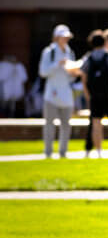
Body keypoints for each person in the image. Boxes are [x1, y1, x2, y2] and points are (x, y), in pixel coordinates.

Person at [79, 29, 108, 159]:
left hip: (95, 97)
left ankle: (99, 152)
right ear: (104, 42)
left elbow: (83, 79)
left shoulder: (88, 59)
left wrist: (88, 96)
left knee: (96, 124)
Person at [38, 24, 76, 159]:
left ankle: (63, 152)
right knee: (49, 124)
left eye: (67, 37)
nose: (65, 40)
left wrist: (74, 72)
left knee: (66, 125)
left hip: (66, 94)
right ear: (57, 38)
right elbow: (43, 72)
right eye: (63, 37)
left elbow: (70, 78)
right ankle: (48, 152)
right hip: (51, 95)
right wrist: (57, 64)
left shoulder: (70, 52)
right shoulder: (49, 52)